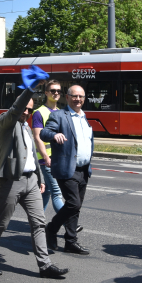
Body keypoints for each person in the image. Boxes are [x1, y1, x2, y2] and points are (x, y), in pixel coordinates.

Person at [0, 81, 69, 279]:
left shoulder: (26, 127)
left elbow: (31, 154)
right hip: (10, 180)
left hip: (31, 181)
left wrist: (39, 177)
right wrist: (29, 90)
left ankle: (45, 265)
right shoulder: (5, 122)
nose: (27, 113)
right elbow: (15, 111)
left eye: (30, 110)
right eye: (24, 109)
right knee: (1, 223)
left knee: (39, 222)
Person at [40, 85, 93, 255]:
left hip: (83, 169)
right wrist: (54, 135)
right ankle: (52, 228)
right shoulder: (59, 115)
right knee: (73, 203)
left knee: (76, 207)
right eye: (74, 96)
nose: (78, 99)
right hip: (67, 168)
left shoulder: (84, 117)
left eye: (81, 96)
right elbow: (44, 133)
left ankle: (71, 241)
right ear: (67, 97)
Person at [31, 79, 65, 214]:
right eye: (52, 91)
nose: (56, 93)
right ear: (46, 93)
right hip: (47, 160)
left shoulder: (62, 112)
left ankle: (37, 219)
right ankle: (69, 222)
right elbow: (37, 137)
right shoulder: (39, 112)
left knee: (48, 191)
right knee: (57, 192)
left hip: (59, 158)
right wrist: (45, 157)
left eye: (58, 91)